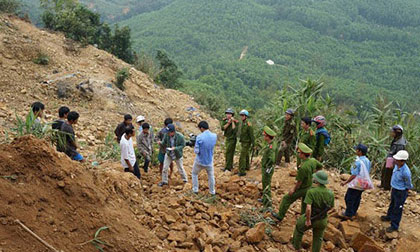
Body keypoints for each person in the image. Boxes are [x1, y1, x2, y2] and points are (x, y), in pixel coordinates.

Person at [272, 143, 322, 222]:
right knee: (304, 204)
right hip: (309, 186)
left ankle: (280, 216)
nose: (298, 154)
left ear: (303, 154)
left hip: (303, 188)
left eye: (299, 152)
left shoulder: (303, 167)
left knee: (286, 199)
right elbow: (320, 166)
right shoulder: (312, 161)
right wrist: (314, 174)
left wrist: (294, 189)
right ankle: (303, 219)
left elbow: (299, 182)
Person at [291, 170, 334, 252]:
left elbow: (308, 208)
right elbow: (331, 207)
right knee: (318, 238)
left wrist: (308, 220)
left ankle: (296, 247)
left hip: (312, 217)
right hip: (322, 219)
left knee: (299, 227)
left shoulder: (311, 191)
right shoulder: (330, 193)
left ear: (317, 180)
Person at [381, 150, 413, 232]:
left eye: (397, 160)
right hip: (395, 188)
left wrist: (407, 190)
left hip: (401, 191)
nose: (395, 161)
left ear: (402, 161)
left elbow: (408, 183)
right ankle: (389, 216)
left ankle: (394, 225)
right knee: (392, 204)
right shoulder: (397, 166)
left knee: (398, 208)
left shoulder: (406, 172)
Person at [340, 144, 371, 219]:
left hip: (357, 183)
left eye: (357, 149)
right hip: (364, 183)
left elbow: (354, 175)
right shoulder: (367, 160)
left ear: (360, 151)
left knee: (349, 198)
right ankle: (353, 211)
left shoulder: (357, 162)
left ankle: (349, 213)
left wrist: (345, 182)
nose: (355, 151)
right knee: (357, 197)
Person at [192, 121, 218, 195]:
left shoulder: (199, 137)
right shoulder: (214, 136)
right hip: (209, 160)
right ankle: (212, 191)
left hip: (200, 160)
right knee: (211, 176)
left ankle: (195, 190)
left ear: (202, 128)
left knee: (194, 173)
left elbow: (196, 151)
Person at [380, 125, 407, 190]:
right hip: (391, 158)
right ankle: (383, 185)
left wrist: (395, 162)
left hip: (393, 159)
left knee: (388, 173)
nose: (391, 133)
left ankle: (386, 187)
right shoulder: (397, 139)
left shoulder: (400, 143)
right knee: (385, 171)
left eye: (393, 132)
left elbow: (399, 154)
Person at [260, 126, 277, 210]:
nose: (263, 137)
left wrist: (268, 167)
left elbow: (272, 159)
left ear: (267, 137)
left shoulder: (271, 147)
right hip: (266, 167)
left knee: (266, 184)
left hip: (267, 168)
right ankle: (264, 199)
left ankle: (268, 204)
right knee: (264, 183)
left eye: (264, 136)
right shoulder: (271, 144)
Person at [238, 109, 254, 176]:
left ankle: (242, 171)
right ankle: (247, 167)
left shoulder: (248, 125)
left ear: (246, 116)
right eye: (241, 115)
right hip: (243, 142)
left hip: (247, 142)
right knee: (246, 154)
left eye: (243, 115)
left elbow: (251, 135)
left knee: (242, 157)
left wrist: (253, 144)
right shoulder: (243, 123)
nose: (241, 117)